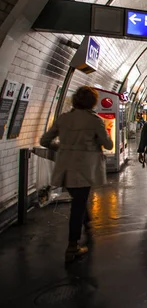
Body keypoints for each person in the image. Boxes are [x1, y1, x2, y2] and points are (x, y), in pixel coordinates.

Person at [40, 86, 113, 263]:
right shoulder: (94, 121)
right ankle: (72, 246)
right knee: (78, 206)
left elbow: (45, 141)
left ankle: (87, 223)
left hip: (65, 167)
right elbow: (109, 144)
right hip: (84, 168)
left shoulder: (64, 118)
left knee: (79, 199)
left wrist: (63, 149)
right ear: (92, 102)